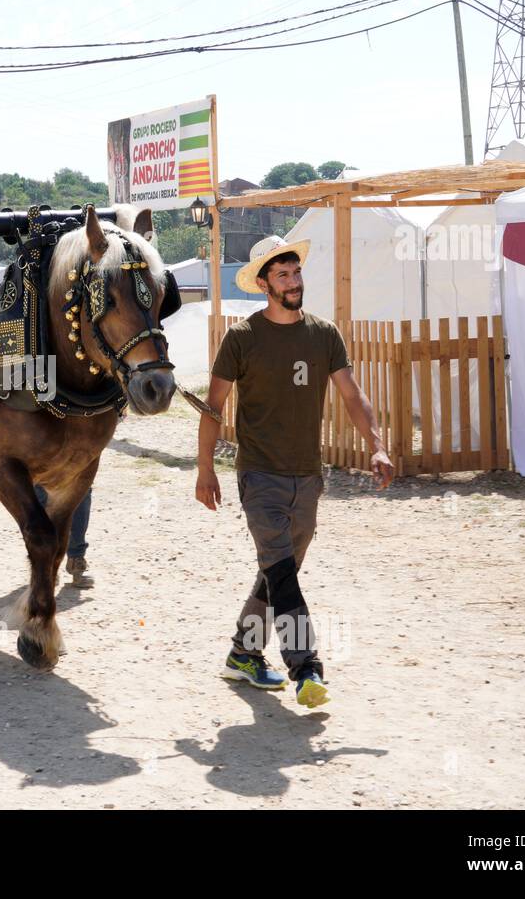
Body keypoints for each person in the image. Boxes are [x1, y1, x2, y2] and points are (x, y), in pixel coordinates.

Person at [195, 235, 394, 709]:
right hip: (259, 475)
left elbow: (351, 394)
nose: (293, 282)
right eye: (282, 275)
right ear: (264, 283)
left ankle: (243, 654)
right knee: (283, 573)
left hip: (308, 476)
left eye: (296, 273)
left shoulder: (324, 334)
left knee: (277, 573)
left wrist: (377, 445)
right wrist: (205, 468)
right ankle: (306, 669)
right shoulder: (241, 338)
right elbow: (213, 407)